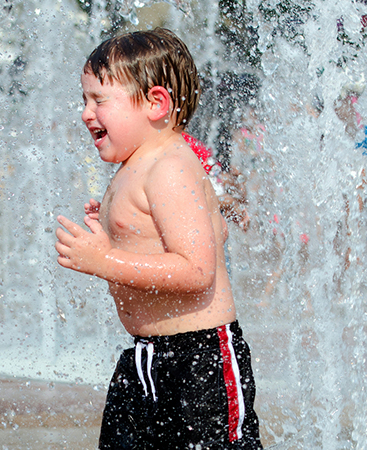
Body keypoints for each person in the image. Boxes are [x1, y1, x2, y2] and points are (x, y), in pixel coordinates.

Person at [54, 28, 262, 450]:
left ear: (155, 103)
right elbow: (205, 230)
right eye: (84, 100)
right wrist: (117, 233)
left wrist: (106, 260)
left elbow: (198, 270)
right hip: (146, 357)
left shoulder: (169, 165)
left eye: (98, 100)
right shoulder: (138, 164)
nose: (85, 113)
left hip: (198, 360)